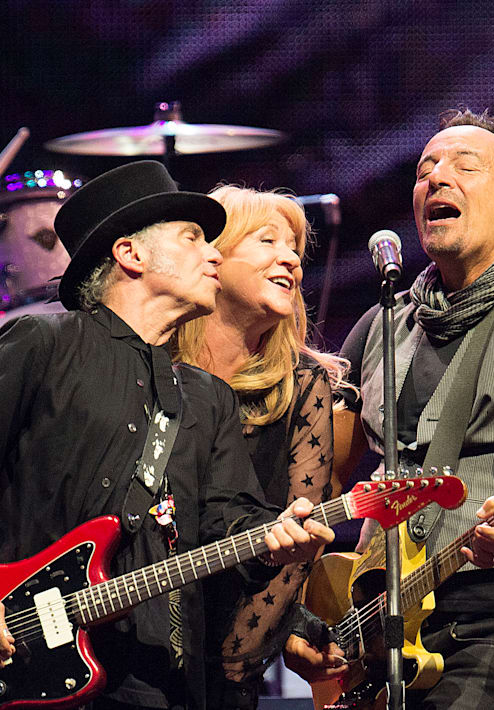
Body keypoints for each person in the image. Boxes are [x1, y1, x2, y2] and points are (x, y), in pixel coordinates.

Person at [0, 160, 335, 710]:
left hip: (160, 684)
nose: (215, 255)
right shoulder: (41, 343)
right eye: (193, 238)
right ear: (131, 254)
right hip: (22, 669)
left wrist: (275, 539)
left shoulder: (208, 398)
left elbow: (228, 521)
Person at [286, 109, 494, 709]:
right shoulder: (379, 323)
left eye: (464, 167)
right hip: (377, 619)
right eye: (425, 168)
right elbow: (320, 483)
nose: (436, 178)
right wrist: (296, 611)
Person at [170, 185, 348, 709]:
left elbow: (298, 547)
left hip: (229, 661)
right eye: (267, 241)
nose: (290, 258)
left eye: (294, 248)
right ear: (212, 258)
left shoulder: (303, 385)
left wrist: (232, 666)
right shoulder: (151, 365)